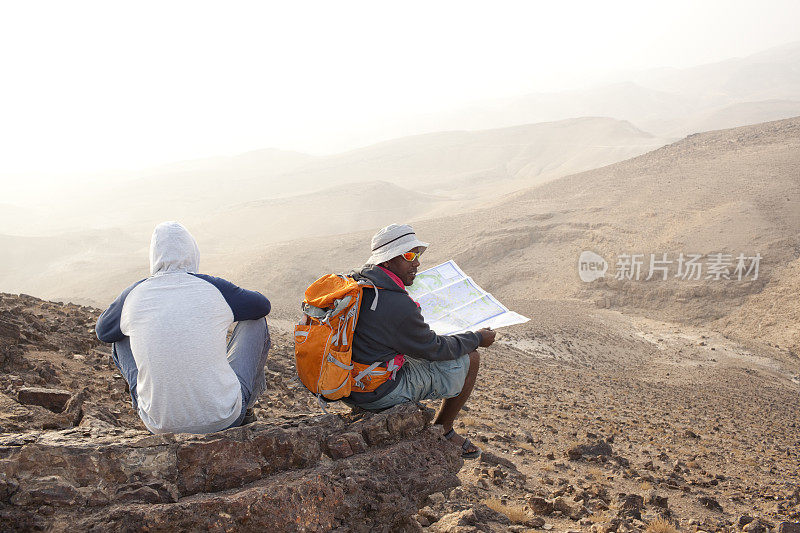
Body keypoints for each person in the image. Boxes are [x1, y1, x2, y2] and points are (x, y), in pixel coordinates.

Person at [95, 221, 271, 434]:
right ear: (193, 252)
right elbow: (262, 306)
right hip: (224, 419)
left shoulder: (134, 294)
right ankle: (247, 408)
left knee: (118, 336)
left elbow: (103, 331)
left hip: (159, 425)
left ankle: (149, 403)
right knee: (256, 322)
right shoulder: (214, 287)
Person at [346, 223, 496, 458]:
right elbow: (434, 349)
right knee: (471, 357)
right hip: (376, 392)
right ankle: (444, 430)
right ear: (386, 261)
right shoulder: (396, 303)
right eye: (409, 255)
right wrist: (477, 338)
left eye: (417, 255)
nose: (416, 262)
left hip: (348, 383)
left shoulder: (361, 281)